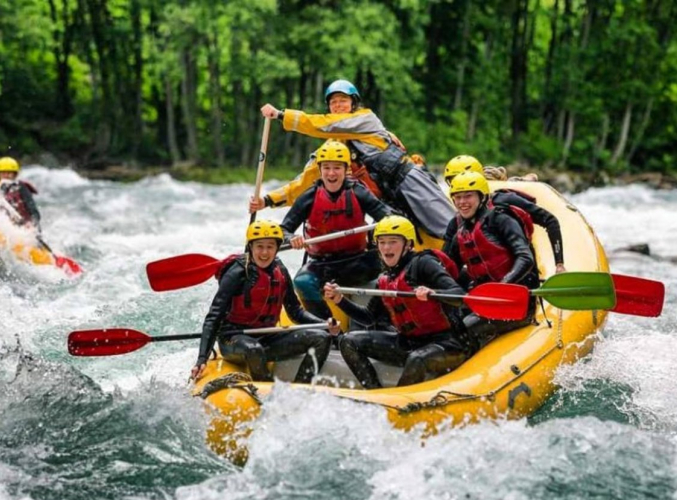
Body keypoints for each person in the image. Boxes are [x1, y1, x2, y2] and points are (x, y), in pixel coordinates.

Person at [253, 79, 455, 238]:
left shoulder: (366, 118)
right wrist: (268, 200)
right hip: (385, 199)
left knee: (447, 226)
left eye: (343, 101)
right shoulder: (333, 148)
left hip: (407, 180)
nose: (338, 105)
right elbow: (305, 181)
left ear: (354, 103)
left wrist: (281, 115)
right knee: (400, 238)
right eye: (333, 102)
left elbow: (322, 124)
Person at [323, 216, 472, 389]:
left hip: (448, 343)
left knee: (417, 358)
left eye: (393, 242)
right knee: (348, 341)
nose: (386, 247)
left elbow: (460, 296)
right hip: (408, 342)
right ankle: (375, 393)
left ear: (408, 244)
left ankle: (398, 406)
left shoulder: (424, 263)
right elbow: (369, 317)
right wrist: (339, 300)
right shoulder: (385, 278)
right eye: (382, 242)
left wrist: (434, 293)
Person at [191, 220, 339, 384]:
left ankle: (301, 389)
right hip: (234, 338)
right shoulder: (238, 272)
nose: (264, 252)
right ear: (251, 247)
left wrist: (324, 324)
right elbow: (214, 316)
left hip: (268, 336)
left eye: (270, 246)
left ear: (277, 248)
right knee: (254, 349)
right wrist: (202, 358)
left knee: (322, 338)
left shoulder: (280, 270)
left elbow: (295, 311)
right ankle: (266, 393)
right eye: (259, 246)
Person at [275, 139, 393, 319]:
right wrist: (292, 237)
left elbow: (388, 218)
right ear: (320, 169)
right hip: (323, 264)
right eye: (327, 167)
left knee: (388, 274)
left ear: (346, 169)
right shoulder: (309, 196)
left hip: (359, 262)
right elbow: (282, 231)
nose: (331, 173)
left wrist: (383, 231)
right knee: (303, 281)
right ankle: (327, 327)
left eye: (337, 167)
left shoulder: (359, 192)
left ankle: (375, 321)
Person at [443, 171, 538, 350]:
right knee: (447, 323)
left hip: (515, 303)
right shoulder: (460, 233)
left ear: (482, 197)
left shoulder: (501, 220)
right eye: (457, 197)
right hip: (485, 301)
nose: (462, 202)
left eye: (468, 196)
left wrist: (503, 286)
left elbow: (525, 258)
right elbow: (447, 272)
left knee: (461, 329)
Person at [444, 154, 566, 273]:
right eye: (454, 182)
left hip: (520, 274)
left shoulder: (504, 200)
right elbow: (446, 261)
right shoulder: (457, 221)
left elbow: (550, 220)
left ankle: (523, 179)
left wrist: (559, 265)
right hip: (484, 279)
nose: (460, 184)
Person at [0, 157, 41, 230]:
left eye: (9, 173)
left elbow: (33, 211)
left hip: (24, 227)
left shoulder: (21, 187)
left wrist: (32, 223)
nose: (6, 176)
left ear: (15, 175)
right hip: (6, 227)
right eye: (3, 173)